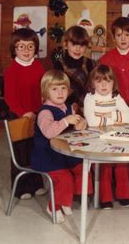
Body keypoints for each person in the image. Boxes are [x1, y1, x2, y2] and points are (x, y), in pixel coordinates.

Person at [30, 70, 91, 224]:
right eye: (54, 89)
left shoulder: (67, 107)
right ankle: (54, 206)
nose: (60, 93)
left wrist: (80, 124)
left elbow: (73, 127)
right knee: (65, 178)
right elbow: (49, 132)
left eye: (63, 88)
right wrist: (65, 121)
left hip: (62, 152)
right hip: (46, 155)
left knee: (82, 168)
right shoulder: (45, 112)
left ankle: (66, 199)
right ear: (46, 91)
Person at [83, 65, 129, 209]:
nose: (104, 85)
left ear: (113, 82)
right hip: (97, 138)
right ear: (93, 83)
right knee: (103, 165)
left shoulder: (115, 96)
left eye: (107, 81)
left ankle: (124, 195)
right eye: (99, 81)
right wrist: (117, 118)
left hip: (116, 137)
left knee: (121, 163)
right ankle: (105, 198)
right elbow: (92, 122)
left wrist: (107, 116)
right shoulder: (90, 98)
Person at [4, 28, 46, 200]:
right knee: (20, 153)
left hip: (37, 115)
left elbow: (43, 90)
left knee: (35, 151)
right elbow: (10, 98)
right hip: (19, 117)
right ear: (14, 49)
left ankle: (36, 184)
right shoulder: (12, 71)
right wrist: (23, 112)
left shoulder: (38, 67)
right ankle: (21, 187)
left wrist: (41, 110)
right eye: (21, 47)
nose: (26, 51)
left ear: (35, 48)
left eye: (30, 46)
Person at [99, 17, 129, 107]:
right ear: (113, 37)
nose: (123, 39)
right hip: (112, 105)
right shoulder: (105, 60)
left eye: (127, 35)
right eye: (119, 35)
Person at [53, 25, 95, 113]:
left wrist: (86, 104)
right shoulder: (59, 64)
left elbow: (92, 85)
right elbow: (61, 86)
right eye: (74, 44)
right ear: (65, 44)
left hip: (88, 104)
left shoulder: (90, 63)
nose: (78, 49)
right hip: (66, 105)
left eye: (82, 45)